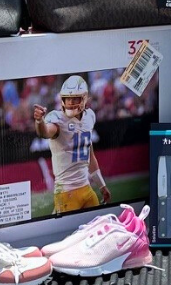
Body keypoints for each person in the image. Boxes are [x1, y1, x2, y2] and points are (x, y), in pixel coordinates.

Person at [31, 75, 112, 213]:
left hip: (86, 188)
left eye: (75, 98)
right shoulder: (58, 119)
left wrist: (101, 185)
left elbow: (90, 156)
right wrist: (39, 121)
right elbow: (45, 132)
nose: (70, 102)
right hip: (66, 193)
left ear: (84, 98)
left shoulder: (89, 117)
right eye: (67, 98)